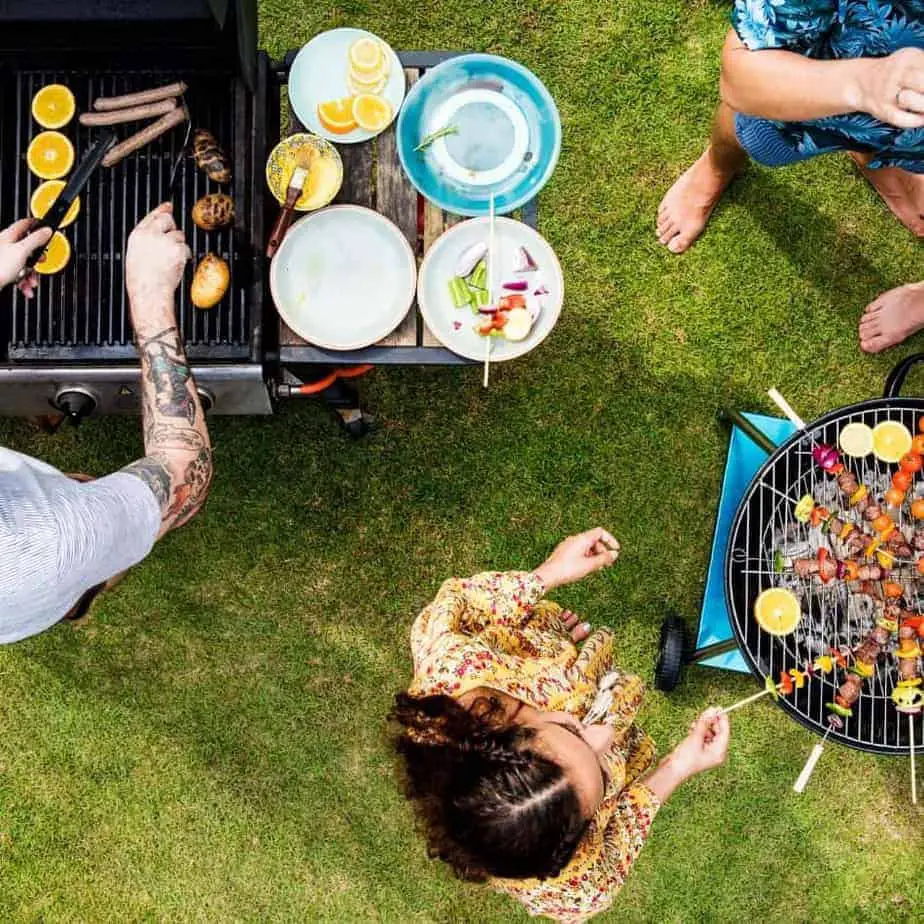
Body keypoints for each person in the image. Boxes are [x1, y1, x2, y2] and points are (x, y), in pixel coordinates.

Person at [392, 529, 730, 922]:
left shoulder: (452, 672)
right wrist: (678, 766)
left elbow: (463, 605)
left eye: (573, 732)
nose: (604, 734)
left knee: (546, 643)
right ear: (576, 840)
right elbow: (617, 842)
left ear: (494, 731)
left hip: (528, 661)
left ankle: (552, 644)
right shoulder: (575, 887)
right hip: (554, 692)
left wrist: (547, 575)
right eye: (602, 776)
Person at [657, 2, 924, 353]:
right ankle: (717, 166)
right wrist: (864, 84)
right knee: (756, 133)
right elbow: (743, 79)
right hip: (817, 98)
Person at [0, 204, 213, 641]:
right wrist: (150, 295)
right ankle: (83, 590)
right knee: (94, 556)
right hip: (45, 574)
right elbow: (183, 475)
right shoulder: (46, 546)